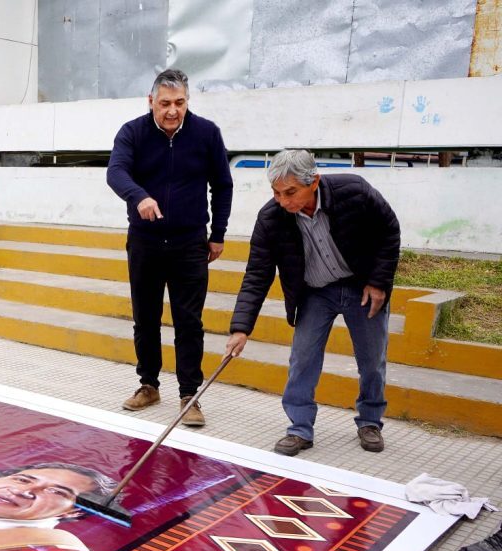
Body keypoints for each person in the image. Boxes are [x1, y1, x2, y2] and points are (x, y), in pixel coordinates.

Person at [225, 149, 400, 456]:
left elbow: (389, 231)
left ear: (314, 181)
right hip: (315, 292)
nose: (283, 200)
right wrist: (241, 327)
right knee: (302, 359)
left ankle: (370, 421)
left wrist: (378, 281)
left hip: (361, 286)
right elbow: (257, 274)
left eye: (290, 192)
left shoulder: (354, 192)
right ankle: (300, 427)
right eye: (276, 192)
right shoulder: (271, 218)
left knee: (372, 360)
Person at [106, 68, 233, 426]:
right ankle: (148, 384)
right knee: (145, 318)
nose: (172, 110)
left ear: (187, 101)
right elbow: (115, 171)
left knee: (188, 321)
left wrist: (218, 233)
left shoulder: (206, 133)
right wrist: (139, 196)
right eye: (164, 103)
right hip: (145, 241)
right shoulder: (133, 132)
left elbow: (222, 185)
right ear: (151, 102)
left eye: (179, 102)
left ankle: (189, 394)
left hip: (190, 243)